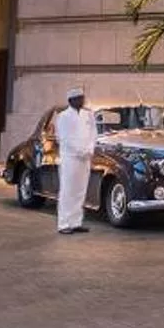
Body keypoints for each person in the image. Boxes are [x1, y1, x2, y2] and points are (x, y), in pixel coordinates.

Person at [53, 89, 98, 234]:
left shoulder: (88, 115)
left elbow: (93, 133)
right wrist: (80, 151)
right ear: (71, 101)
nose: (81, 100)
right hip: (70, 158)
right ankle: (64, 223)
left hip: (86, 157)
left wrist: (90, 149)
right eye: (78, 98)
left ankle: (76, 222)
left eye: (82, 98)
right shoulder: (63, 117)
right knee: (68, 191)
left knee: (80, 190)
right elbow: (64, 138)